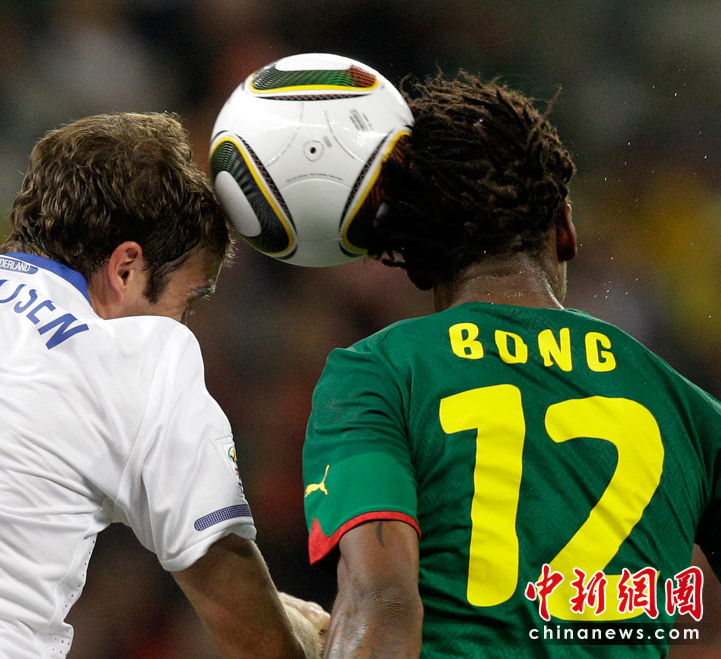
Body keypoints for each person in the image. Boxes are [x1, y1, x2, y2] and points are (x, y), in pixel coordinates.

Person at [0, 111, 327, 658]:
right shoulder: (142, 358)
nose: (182, 323)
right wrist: (297, 636)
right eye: (187, 301)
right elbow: (235, 602)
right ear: (126, 268)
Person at [302, 72, 721, 657]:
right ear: (566, 230)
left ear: (417, 266)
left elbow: (385, 603)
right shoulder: (691, 412)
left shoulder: (376, 375)